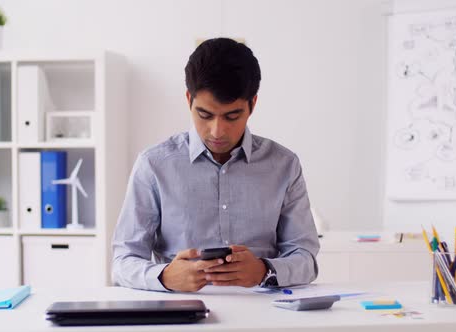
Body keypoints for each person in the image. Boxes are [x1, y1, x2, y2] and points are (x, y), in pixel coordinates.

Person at [112, 38, 319, 292]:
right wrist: (165, 276)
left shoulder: (284, 165)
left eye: (232, 116)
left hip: (266, 313)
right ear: (189, 99)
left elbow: (306, 258)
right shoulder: (153, 165)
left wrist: (264, 270)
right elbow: (122, 262)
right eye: (205, 115)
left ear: (252, 104)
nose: (217, 131)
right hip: (180, 314)